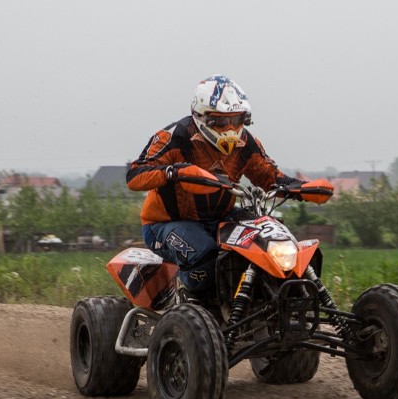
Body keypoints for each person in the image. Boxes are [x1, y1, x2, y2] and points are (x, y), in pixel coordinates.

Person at [126, 75, 317, 302]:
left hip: (221, 218)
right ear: (201, 116)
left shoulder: (246, 143)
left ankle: (274, 301)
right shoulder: (175, 137)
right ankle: (188, 304)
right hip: (166, 223)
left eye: (236, 120)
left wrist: (299, 188)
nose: (230, 128)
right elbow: (134, 175)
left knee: (270, 238)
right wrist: (173, 172)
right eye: (221, 121)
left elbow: (269, 176)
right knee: (207, 256)